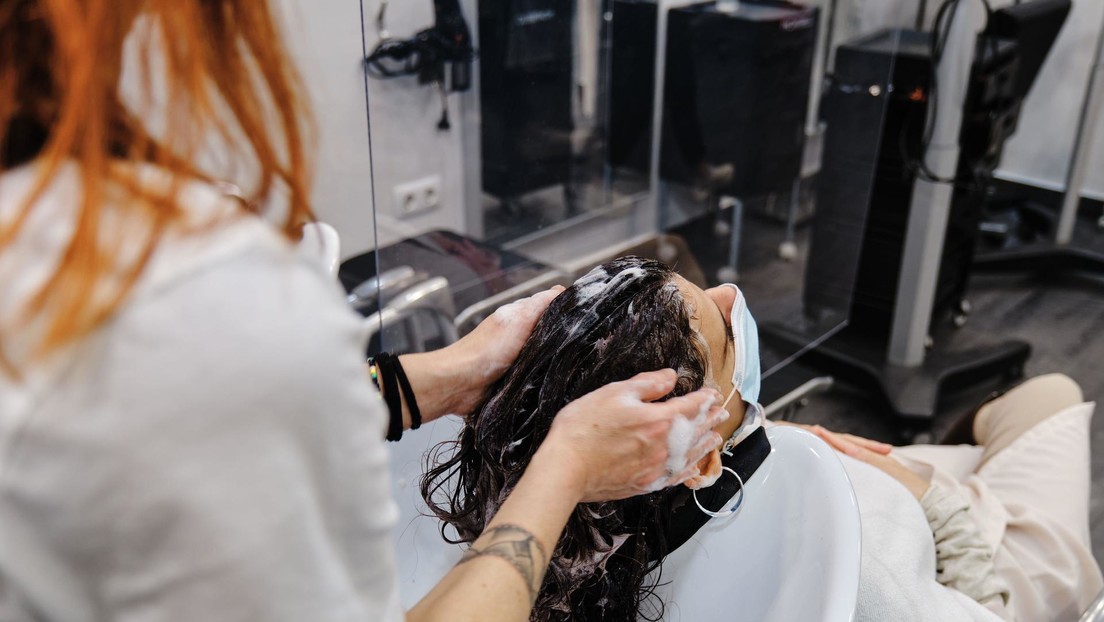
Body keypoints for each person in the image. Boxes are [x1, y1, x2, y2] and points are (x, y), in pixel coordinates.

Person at [0, 3, 726, 621]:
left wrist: (449, 373)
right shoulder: (187, 295)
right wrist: (565, 468)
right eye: (724, 329)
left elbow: (195, 415)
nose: (732, 296)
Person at [422, 255, 1103, 622]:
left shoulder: (539, 542)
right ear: (697, 457)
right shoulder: (855, 558)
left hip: (854, 497)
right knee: (1052, 395)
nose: (728, 294)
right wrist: (929, 496)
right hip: (974, 574)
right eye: (721, 338)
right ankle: (973, 444)